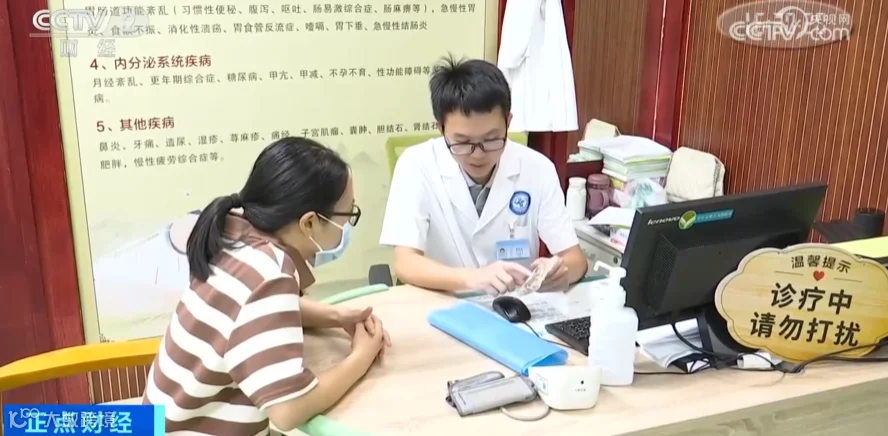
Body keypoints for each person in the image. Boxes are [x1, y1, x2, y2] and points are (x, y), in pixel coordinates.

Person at [143, 137, 391, 435]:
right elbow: (288, 410)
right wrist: (361, 357)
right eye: (347, 216)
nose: (347, 227)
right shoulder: (270, 274)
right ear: (309, 223)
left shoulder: (235, 232)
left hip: (160, 422)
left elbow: (246, 315)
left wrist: (335, 316)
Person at [379, 56, 587, 296]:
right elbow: (405, 263)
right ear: (441, 128)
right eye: (463, 142)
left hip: (513, 306)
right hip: (443, 302)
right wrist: (473, 278)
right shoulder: (416, 165)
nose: (477, 154)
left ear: (508, 122)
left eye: (491, 139)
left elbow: (575, 259)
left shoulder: (537, 169)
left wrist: (560, 273)